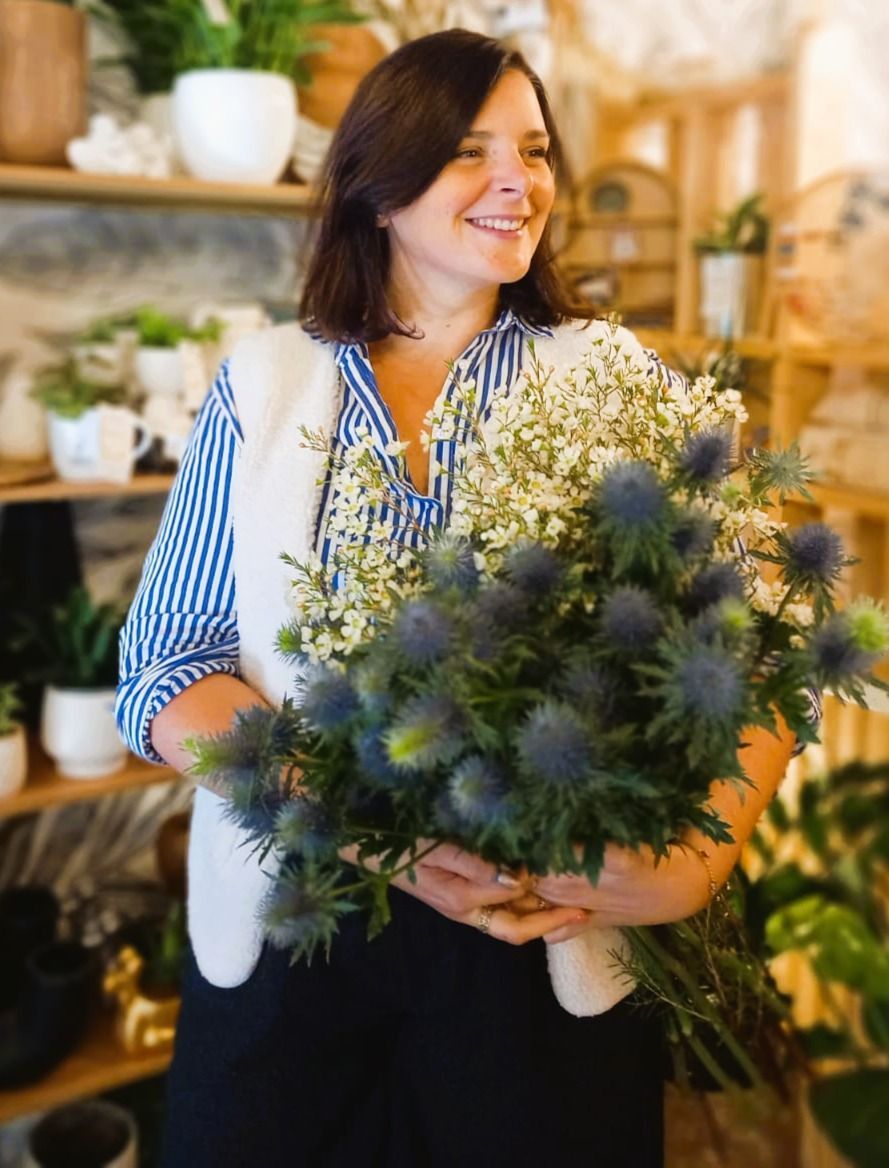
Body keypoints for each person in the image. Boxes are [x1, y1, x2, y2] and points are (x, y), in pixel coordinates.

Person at [116, 29, 799, 1168]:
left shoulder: (615, 375)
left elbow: (768, 641)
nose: (516, 180)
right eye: (469, 151)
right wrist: (368, 827)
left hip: (549, 950)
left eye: (533, 151)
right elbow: (165, 669)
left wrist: (698, 860)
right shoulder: (263, 381)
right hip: (302, 937)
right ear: (377, 189)